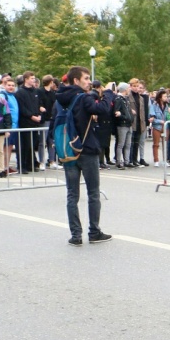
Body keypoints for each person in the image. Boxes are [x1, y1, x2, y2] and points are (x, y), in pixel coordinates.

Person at [55, 67, 111, 246]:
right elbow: (102, 109)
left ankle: (76, 235)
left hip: (68, 151)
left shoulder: (59, 99)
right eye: (86, 79)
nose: (89, 82)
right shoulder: (83, 97)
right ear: (76, 81)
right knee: (93, 193)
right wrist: (108, 93)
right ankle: (94, 232)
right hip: (86, 150)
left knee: (72, 194)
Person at [113, 82, 135, 169]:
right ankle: (119, 161)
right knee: (121, 144)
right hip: (122, 124)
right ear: (125, 90)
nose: (129, 90)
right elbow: (116, 112)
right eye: (129, 88)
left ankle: (126, 160)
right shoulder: (118, 99)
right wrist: (123, 116)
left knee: (128, 144)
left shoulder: (125, 99)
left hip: (128, 124)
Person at [149, 89, 168, 166]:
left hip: (165, 126)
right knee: (156, 144)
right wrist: (160, 121)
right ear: (160, 97)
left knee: (165, 144)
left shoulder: (167, 105)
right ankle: (156, 160)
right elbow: (152, 118)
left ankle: (165, 160)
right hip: (157, 126)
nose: (166, 98)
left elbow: (169, 116)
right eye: (164, 96)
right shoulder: (154, 105)